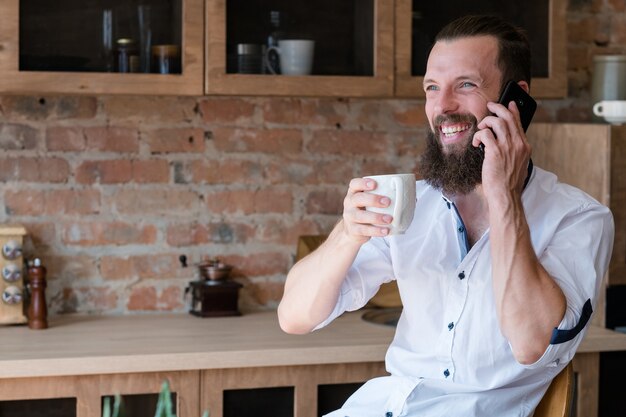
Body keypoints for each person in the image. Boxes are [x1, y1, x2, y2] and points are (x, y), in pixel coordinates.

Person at [277, 14, 615, 417]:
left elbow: (530, 345)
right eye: (432, 88)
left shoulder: (579, 219)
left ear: (515, 99)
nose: (443, 106)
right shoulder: (412, 205)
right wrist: (347, 234)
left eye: (466, 85)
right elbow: (294, 317)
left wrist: (503, 196)